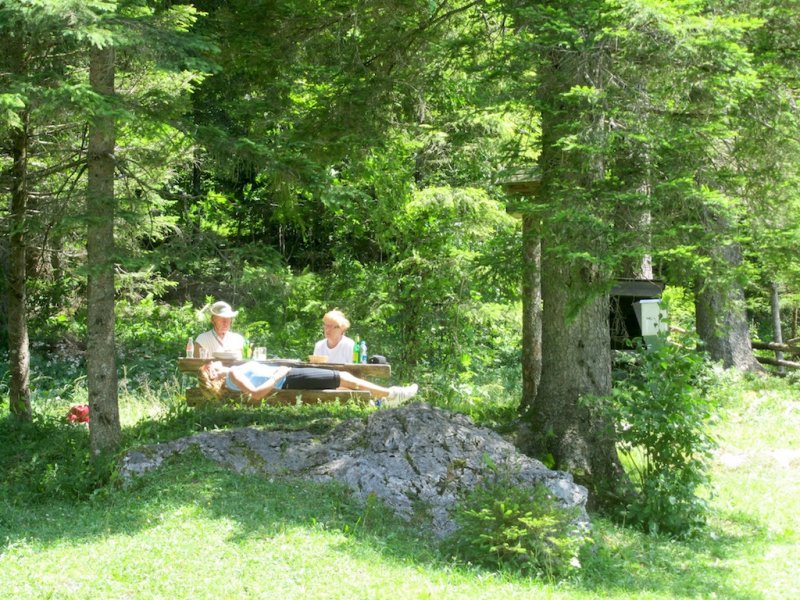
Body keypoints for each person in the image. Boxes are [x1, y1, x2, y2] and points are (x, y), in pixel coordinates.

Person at [198, 360, 418, 405]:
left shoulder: (232, 377)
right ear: (214, 373)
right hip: (287, 378)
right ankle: (391, 394)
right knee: (344, 377)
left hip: (287, 378)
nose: (215, 361)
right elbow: (256, 394)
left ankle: (381, 400)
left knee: (339, 384)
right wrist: (278, 375)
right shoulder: (233, 373)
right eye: (212, 365)